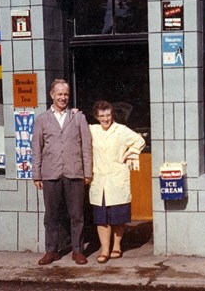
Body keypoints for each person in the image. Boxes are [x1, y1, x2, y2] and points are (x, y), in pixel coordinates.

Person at [32, 79, 92, 266]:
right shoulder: (42, 119)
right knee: (51, 215)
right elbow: (36, 148)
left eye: (66, 94)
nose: (63, 98)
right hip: (50, 173)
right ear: (52, 95)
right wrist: (37, 174)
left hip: (74, 172)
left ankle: (78, 251)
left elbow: (87, 146)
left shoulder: (78, 118)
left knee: (77, 215)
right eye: (59, 94)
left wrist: (87, 172)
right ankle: (51, 251)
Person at [89, 100, 145, 263]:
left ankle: (117, 246)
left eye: (108, 115)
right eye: (102, 116)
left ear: (112, 114)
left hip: (117, 177)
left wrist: (129, 153)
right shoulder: (92, 130)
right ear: (96, 117)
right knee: (101, 217)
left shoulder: (121, 130)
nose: (105, 119)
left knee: (117, 215)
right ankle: (105, 249)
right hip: (99, 179)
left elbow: (139, 141)